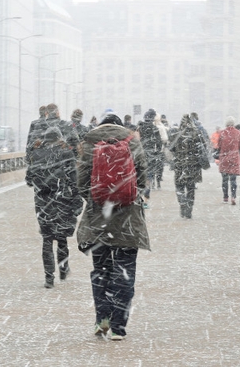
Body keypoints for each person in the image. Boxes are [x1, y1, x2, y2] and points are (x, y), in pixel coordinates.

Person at [76, 111, 149, 341]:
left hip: (98, 221)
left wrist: (100, 200)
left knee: (101, 271)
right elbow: (143, 180)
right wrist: (127, 196)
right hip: (128, 221)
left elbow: (80, 184)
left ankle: (102, 319)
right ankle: (118, 327)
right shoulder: (133, 142)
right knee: (125, 273)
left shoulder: (89, 143)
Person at [25, 126, 82, 288]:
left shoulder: (36, 154)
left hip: (42, 202)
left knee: (47, 239)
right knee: (62, 237)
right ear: (59, 138)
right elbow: (73, 180)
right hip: (61, 200)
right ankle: (63, 268)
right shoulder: (66, 153)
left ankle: (48, 277)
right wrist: (77, 201)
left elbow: (29, 180)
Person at [169, 114, 210, 219]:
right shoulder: (197, 134)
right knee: (191, 189)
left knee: (179, 187)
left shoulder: (176, 135)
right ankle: (189, 210)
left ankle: (182, 204)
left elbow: (171, 149)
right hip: (193, 166)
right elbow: (203, 147)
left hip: (180, 165)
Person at [136, 108, 163, 208]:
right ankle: (146, 200)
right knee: (149, 177)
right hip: (151, 156)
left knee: (139, 176)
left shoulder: (140, 127)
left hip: (140, 155)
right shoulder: (155, 128)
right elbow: (159, 143)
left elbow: (136, 140)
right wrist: (157, 152)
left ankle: (139, 197)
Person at [217, 117, 240, 205]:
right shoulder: (237, 132)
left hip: (224, 158)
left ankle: (225, 197)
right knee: (233, 180)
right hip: (234, 158)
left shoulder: (222, 133)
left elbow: (219, 145)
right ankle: (233, 196)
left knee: (224, 180)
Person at [153, 113, 169, 188]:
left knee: (151, 166)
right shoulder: (161, 126)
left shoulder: (149, 126)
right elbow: (165, 138)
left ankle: (152, 181)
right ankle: (158, 181)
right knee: (159, 166)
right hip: (160, 149)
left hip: (151, 149)